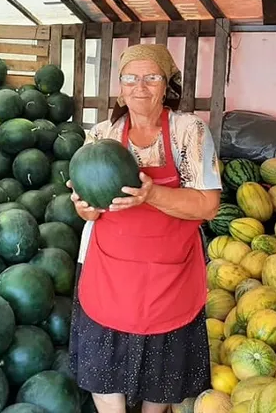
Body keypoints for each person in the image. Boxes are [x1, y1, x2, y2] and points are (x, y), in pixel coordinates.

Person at [68, 43, 222, 413]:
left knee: (162, 375)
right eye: (130, 78)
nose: (140, 86)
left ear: (166, 85)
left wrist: (151, 194)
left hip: (171, 278)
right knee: (104, 367)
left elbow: (208, 205)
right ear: (120, 86)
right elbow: (89, 212)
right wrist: (83, 206)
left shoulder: (190, 132)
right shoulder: (101, 135)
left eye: (151, 77)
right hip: (111, 273)